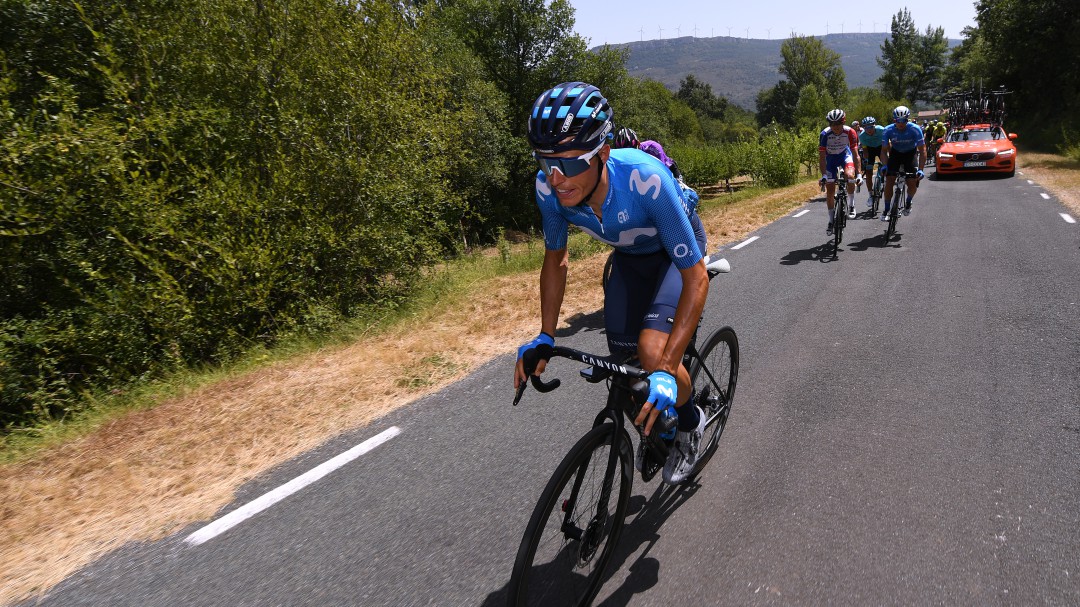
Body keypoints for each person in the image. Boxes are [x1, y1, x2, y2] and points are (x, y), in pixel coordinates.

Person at [515, 82, 709, 484]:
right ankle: (658, 419)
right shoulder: (548, 191)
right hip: (630, 260)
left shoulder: (645, 180)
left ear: (603, 153)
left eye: (568, 164)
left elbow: (695, 278)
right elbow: (556, 259)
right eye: (544, 161)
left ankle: (691, 422)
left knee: (653, 353)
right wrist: (545, 336)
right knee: (625, 369)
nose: (556, 178)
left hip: (676, 258)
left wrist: (667, 367)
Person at [818, 108, 863, 234]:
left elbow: (855, 154)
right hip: (830, 159)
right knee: (830, 190)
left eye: (838, 123)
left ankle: (851, 204)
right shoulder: (824, 134)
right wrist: (824, 175)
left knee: (849, 175)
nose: (835, 127)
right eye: (832, 124)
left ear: (843, 122)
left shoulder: (850, 132)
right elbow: (822, 158)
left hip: (845, 155)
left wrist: (858, 174)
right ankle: (831, 220)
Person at [879, 105, 926, 219]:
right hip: (896, 153)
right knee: (889, 179)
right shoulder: (888, 130)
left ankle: (908, 202)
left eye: (903, 120)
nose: (900, 123)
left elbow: (922, 150)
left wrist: (920, 169)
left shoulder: (915, 129)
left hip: (910, 154)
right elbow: (884, 151)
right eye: (897, 121)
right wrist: (885, 166)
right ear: (894, 120)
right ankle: (886, 209)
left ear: (907, 119)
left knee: (912, 182)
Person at [859, 116, 885, 207]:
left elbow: (888, 144)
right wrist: (866, 161)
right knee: (868, 172)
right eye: (866, 127)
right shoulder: (862, 136)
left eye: (871, 127)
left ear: (875, 126)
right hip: (870, 150)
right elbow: (865, 151)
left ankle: (884, 180)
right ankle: (870, 195)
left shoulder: (882, 130)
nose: (869, 130)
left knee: (886, 165)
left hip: (881, 148)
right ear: (864, 128)